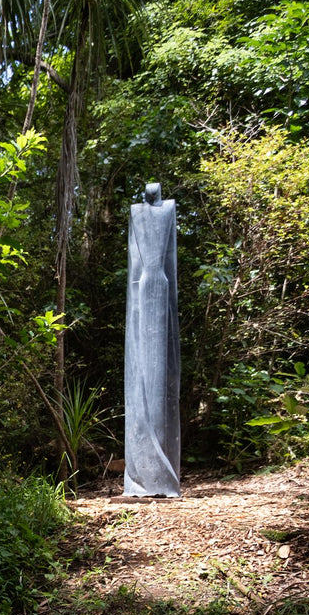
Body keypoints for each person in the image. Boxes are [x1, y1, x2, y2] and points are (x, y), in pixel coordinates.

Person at [125, 182, 180, 497]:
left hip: (161, 288)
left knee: (159, 378)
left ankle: (161, 474)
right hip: (142, 290)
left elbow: (168, 260)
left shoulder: (169, 209)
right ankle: (141, 475)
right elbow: (136, 260)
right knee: (142, 375)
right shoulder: (135, 212)